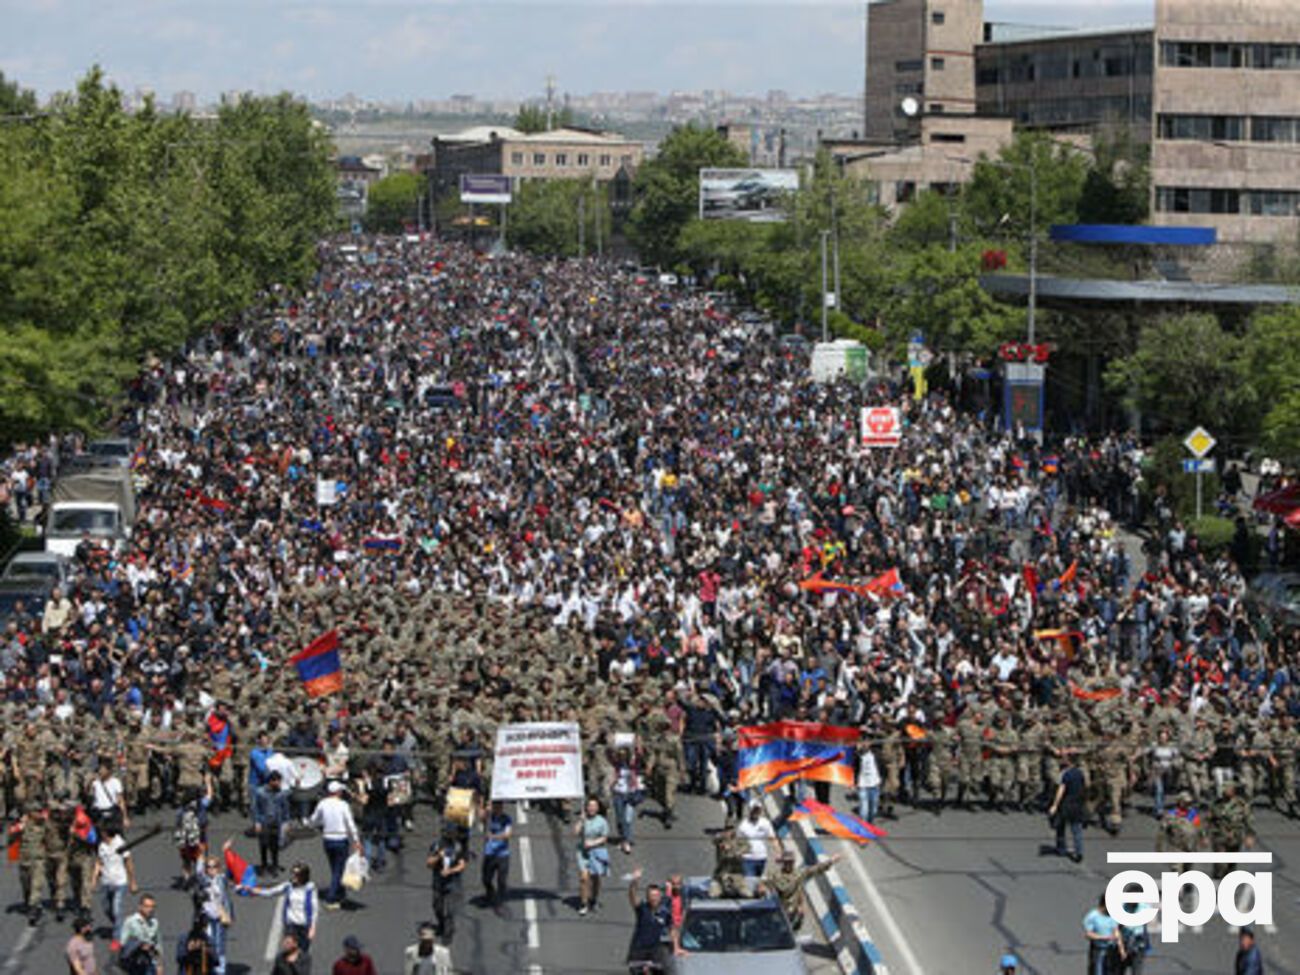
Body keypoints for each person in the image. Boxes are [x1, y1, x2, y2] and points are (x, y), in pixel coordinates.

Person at [241, 862, 317, 971]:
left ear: (304, 876)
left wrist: (312, 928)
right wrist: (254, 890)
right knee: (289, 951)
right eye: (293, 873)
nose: (293, 876)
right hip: (291, 925)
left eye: (296, 874)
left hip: (304, 925)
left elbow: (314, 908)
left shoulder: (310, 888)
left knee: (302, 954)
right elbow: (271, 892)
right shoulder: (288, 886)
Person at [310, 780, 362, 910]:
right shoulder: (343, 805)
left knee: (334, 867)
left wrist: (314, 824)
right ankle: (331, 898)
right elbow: (350, 823)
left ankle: (340, 892)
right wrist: (356, 841)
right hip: (340, 839)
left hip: (328, 838)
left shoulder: (322, 804)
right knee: (339, 870)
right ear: (338, 792)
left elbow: (314, 820)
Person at [90, 820, 138, 953]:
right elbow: (99, 862)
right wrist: (94, 880)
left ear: (106, 832)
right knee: (106, 908)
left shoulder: (120, 843)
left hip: (119, 882)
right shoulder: (102, 845)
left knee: (117, 910)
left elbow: (128, 862)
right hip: (106, 882)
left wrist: (132, 881)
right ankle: (120, 925)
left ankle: (117, 938)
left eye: (102, 831)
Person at [626, 868, 677, 974]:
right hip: (639, 949)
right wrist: (634, 881)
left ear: (659, 897)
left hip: (656, 950)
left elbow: (672, 928)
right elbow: (632, 897)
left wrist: (676, 947)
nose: (654, 898)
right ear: (647, 897)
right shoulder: (642, 909)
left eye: (656, 896)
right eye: (651, 896)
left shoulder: (664, 911)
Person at [197, 851, 234, 975]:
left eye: (214, 867)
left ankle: (220, 969)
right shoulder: (204, 880)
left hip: (220, 915)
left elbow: (231, 869)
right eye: (209, 867)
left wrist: (227, 852)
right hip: (206, 916)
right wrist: (201, 858)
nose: (211, 869)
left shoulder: (221, 879)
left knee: (219, 943)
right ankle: (209, 967)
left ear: (218, 868)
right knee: (208, 943)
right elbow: (198, 872)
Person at [427, 832, 466, 944]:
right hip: (438, 883)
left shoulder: (458, 847)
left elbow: (462, 865)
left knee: (450, 909)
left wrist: (450, 871)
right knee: (437, 906)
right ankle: (442, 923)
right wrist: (438, 856)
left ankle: (447, 934)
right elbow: (429, 863)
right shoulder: (436, 846)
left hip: (452, 883)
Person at [575, 796, 610, 916]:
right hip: (583, 852)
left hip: (597, 852)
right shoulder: (583, 819)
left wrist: (593, 843)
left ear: (598, 808)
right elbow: (575, 832)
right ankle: (584, 903)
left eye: (594, 806)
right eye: (589, 806)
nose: (592, 808)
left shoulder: (602, 821)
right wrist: (581, 820)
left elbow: (604, 838)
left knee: (595, 879)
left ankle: (594, 899)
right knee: (584, 878)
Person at [1049, 751, 1086, 863]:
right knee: (1077, 830)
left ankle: (1061, 848)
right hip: (1077, 804)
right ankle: (1079, 852)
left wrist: (1054, 805)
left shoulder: (1065, 774)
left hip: (1066, 804)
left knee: (1060, 826)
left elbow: (1061, 790)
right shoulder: (1080, 773)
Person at [252, 769, 291, 875]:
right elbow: (255, 808)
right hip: (264, 822)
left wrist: (286, 821)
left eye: (279, 781)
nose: (278, 783)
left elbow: (285, 808)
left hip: (276, 822)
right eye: (277, 781)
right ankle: (264, 865)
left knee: (274, 846)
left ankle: (274, 865)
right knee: (263, 844)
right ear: (270, 781)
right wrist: (257, 822)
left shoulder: (281, 793)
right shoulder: (260, 792)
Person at [119, 893, 164, 975]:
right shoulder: (130, 921)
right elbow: (122, 942)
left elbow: (158, 944)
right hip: (135, 962)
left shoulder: (155, 922)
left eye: (152, 906)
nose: (150, 909)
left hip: (149, 961)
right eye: (147, 906)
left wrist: (159, 965)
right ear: (140, 907)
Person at [481, 799, 512, 915]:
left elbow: (508, 834)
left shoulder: (506, 819)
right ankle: (490, 894)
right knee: (486, 879)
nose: (498, 808)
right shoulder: (489, 817)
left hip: (503, 854)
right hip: (489, 853)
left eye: (499, 806)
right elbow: (481, 817)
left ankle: (500, 903)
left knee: (501, 881)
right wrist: (486, 810)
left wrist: (493, 836)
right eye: (495, 806)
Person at [1082, 892, 1125, 975]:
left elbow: (1116, 931)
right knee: (1098, 971)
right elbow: (1088, 934)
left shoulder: (1113, 916)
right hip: (1098, 949)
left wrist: (1121, 949)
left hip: (1111, 950)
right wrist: (1104, 938)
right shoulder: (1093, 916)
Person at [736, 802, 777, 878]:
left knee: (757, 882)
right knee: (750, 882)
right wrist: (739, 855)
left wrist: (778, 852)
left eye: (758, 810)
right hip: (748, 859)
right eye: (754, 809)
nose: (756, 812)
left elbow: (773, 838)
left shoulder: (765, 823)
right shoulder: (743, 825)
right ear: (750, 810)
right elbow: (738, 842)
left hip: (762, 858)